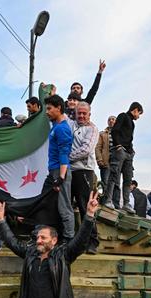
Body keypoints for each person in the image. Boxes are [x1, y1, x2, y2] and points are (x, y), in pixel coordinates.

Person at [69, 101, 100, 253]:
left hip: (84, 172)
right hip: (68, 172)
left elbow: (86, 150)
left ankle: (92, 241)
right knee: (66, 206)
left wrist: (65, 157)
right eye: (78, 113)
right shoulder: (70, 124)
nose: (81, 116)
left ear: (89, 114)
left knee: (85, 207)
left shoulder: (92, 129)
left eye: (84, 113)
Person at [43, 94, 75, 239]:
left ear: (59, 108)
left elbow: (64, 154)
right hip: (54, 171)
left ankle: (69, 240)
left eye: (49, 108)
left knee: (64, 208)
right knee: (50, 205)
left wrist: (61, 177)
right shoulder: (55, 125)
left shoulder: (62, 129)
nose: (47, 112)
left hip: (60, 172)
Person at [103, 102, 143, 211]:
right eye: (139, 113)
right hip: (120, 151)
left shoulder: (132, 123)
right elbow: (115, 130)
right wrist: (118, 145)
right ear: (135, 110)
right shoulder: (123, 116)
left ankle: (126, 204)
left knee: (128, 179)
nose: (138, 116)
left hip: (129, 153)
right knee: (114, 176)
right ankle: (108, 200)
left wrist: (132, 151)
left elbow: (130, 139)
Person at [95, 115, 115, 203]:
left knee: (115, 183)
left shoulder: (120, 133)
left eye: (113, 119)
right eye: (109, 119)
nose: (111, 121)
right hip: (106, 162)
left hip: (116, 162)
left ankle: (114, 203)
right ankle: (104, 202)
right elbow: (98, 147)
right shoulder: (102, 134)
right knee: (105, 183)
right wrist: (99, 160)